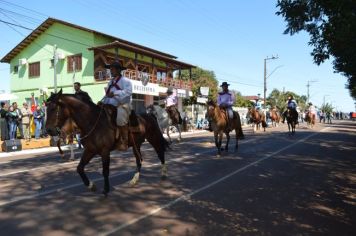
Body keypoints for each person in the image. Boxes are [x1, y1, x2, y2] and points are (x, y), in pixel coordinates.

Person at [101, 61, 132, 151]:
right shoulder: (110, 82)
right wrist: (103, 102)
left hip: (123, 104)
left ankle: (124, 142)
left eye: (112, 69)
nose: (111, 71)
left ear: (118, 70)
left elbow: (128, 92)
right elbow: (107, 95)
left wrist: (115, 93)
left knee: (120, 118)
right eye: (110, 69)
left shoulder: (126, 81)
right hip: (110, 105)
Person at [73, 82, 92, 148]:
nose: (75, 87)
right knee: (77, 129)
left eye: (76, 86)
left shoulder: (84, 94)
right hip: (77, 114)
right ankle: (80, 144)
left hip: (85, 114)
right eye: (74, 86)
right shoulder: (74, 95)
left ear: (79, 86)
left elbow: (90, 101)